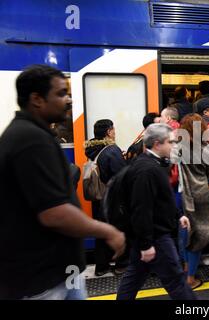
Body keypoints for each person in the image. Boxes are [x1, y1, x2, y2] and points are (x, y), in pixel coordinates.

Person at [0, 64, 125, 300]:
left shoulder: (33, 134)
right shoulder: (30, 139)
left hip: (59, 273)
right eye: (61, 94)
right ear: (36, 99)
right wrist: (108, 231)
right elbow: (54, 213)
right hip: (43, 282)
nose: (69, 100)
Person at [116, 123, 196, 300]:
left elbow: (160, 199)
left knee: (134, 277)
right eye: (171, 142)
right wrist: (146, 244)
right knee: (176, 281)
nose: (175, 146)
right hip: (156, 236)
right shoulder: (148, 170)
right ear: (157, 144)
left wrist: (178, 215)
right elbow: (141, 208)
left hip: (148, 235)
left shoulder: (151, 164)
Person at [177, 114, 209, 289]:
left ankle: (186, 267)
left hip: (181, 195)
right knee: (200, 235)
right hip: (200, 195)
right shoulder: (204, 149)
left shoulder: (177, 147)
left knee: (185, 232)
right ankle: (190, 278)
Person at [85, 119, 128, 276]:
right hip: (113, 199)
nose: (115, 131)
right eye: (114, 129)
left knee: (101, 232)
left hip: (99, 197)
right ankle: (121, 265)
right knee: (120, 229)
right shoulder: (111, 150)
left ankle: (101, 267)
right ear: (109, 132)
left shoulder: (92, 149)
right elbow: (121, 175)